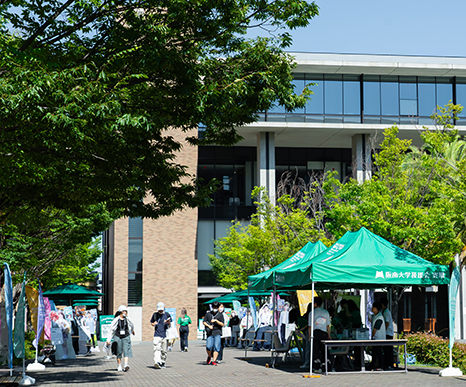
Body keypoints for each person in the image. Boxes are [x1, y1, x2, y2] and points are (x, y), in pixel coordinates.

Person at [107, 305, 135, 372]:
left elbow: (131, 325)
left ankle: (126, 364)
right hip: (118, 336)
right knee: (119, 351)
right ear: (121, 312)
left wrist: (132, 331)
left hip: (126, 336)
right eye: (124, 311)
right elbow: (111, 330)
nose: (125, 312)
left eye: (126, 311)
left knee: (126, 350)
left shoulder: (128, 319)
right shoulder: (116, 320)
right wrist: (108, 339)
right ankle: (119, 365)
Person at [308, 297, 331, 372]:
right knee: (324, 350)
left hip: (315, 333)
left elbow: (310, 326)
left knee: (316, 351)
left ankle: (316, 367)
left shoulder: (312, 313)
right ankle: (326, 366)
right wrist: (329, 335)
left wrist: (309, 336)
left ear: (315, 303)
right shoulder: (326, 312)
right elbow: (328, 325)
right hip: (324, 333)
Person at [150, 302, 172, 369]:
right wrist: (154, 324)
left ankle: (163, 362)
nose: (160, 311)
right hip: (157, 334)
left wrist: (168, 323)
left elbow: (170, 325)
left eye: (161, 310)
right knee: (157, 349)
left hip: (165, 335)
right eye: (159, 309)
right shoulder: (155, 315)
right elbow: (151, 323)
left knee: (164, 351)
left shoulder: (167, 315)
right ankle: (157, 362)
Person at [203, 301, 224, 366]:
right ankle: (209, 356)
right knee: (208, 347)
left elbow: (222, 324)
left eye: (216, 307)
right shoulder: (208, 314)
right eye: (214, 307)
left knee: (216, 347)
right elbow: (204, 322)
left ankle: (214, 360)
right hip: (210, 333)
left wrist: (216, 321)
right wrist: (209, 326)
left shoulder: (220, 315)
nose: (215, 308)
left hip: (217, 332)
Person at [369, 301, 386, 371]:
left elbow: (375, 328)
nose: (372, 309)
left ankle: (381, 366)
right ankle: (373, 365)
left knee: (378, 353)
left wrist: (372, 336)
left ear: (376, 308)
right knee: (375, 352)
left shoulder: (379, 317)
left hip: (378, 338)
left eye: (373, 307)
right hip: (377, 338)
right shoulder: (376, 316)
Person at [380, 297, 394, 369]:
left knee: (388, 350)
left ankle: (389, 364)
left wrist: (383, 331)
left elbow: (387, 323)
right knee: (387, 349)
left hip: (388, 333)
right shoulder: (386, 311)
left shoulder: (386, 312)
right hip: (389, 333)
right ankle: (389, 364)